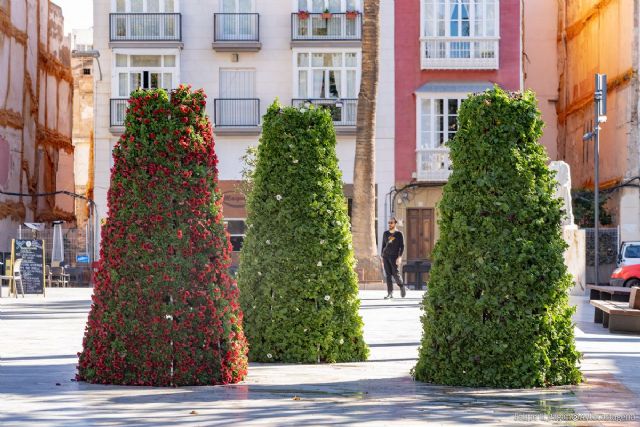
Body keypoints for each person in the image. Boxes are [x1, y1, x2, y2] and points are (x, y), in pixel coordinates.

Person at [381, 217, 406, 299]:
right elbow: (383, 246)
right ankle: (390, 293)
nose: (390, 224)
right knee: (388, 275)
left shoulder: (399, 234)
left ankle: (401, 286)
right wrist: (382, 257)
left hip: (394, 257)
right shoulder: (385, 233)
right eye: (389, 222)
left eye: (391, 222)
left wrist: (400, 257)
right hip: (386, 256)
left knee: (395, 274)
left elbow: (402, 246)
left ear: (395, 223)